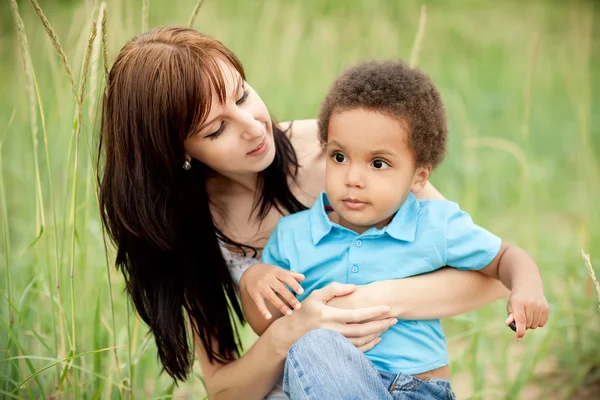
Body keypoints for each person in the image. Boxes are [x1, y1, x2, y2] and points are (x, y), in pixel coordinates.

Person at [98, 26, 509, 400]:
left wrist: (373, 299)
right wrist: (296, 329)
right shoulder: (188, 227)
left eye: (242, 94)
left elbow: (493, 278)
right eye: (216, 129)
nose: (254, 126)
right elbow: (225, 390)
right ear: (177, 152)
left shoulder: (342, 150)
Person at [241, 60, 549, 399]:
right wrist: (252, 281)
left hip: (415, 388)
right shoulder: (293, 234)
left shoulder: (434, 224)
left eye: (378, 164)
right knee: (312, 348)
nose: (353, 178)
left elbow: (506, 256)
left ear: (419, 176)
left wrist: (526, 287)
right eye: (339, 157)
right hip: (328, 383)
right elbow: (269, 324)